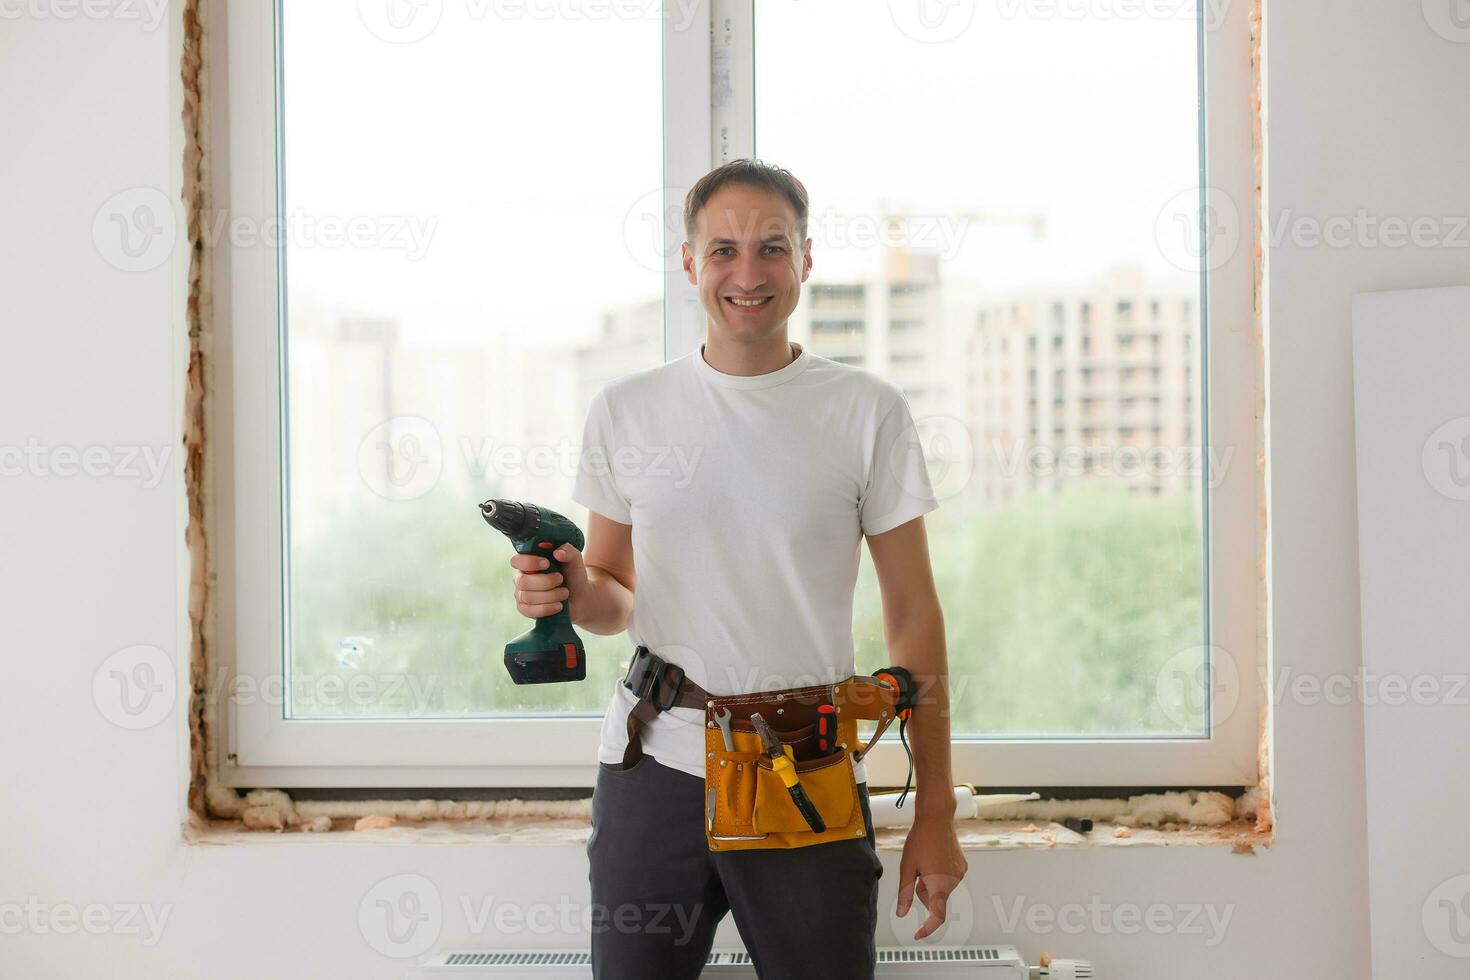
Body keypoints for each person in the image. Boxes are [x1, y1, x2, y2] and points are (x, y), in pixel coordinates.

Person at [507, 159, 968, 978]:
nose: (748, 274)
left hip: (806, 770)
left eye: (772, 248)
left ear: (806, 259)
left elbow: (914, 617)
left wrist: (936, 810)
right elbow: (613, 595)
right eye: (723, 249)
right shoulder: (628, 409)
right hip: (656, 768)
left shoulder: (867, 413)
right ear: (689, 263)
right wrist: (575, 590)